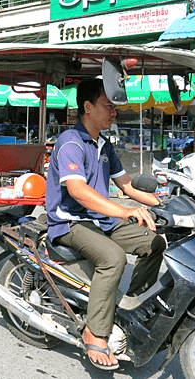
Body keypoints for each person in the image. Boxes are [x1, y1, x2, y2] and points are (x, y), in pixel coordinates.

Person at [46, 79, 165, 370]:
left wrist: (165, 204)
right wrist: (124, 213)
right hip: (70, 222)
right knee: (114, 258)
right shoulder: (70, 143)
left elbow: (126, 185)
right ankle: (95, 331)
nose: (114, 112)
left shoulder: (103, 144)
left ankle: (132, 309)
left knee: (155, 242)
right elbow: (77, 191)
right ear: (88, 107)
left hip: (101, 219)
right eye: (108, 106)